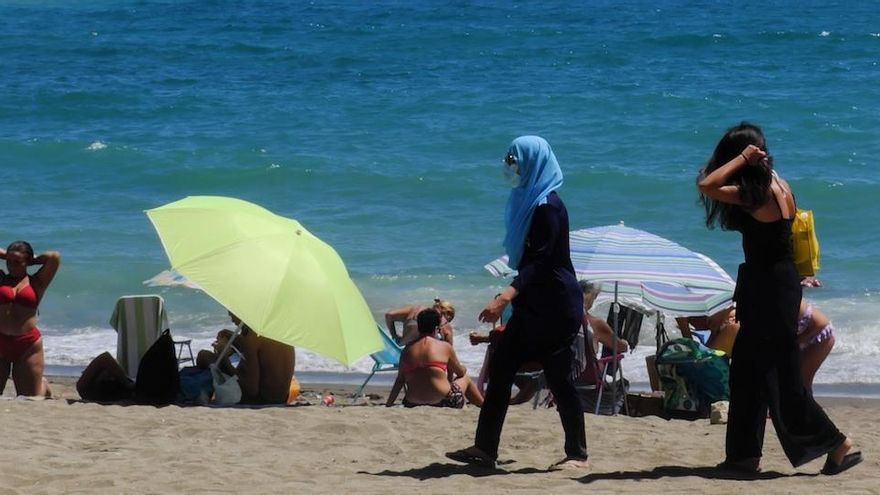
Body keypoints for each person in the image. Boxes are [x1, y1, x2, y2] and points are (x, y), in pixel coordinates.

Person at [697, 122, 860, 475]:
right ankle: (744, 456)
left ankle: (840, 445)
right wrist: (751, 159)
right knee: (749, 373)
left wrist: (740, 158)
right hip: (777, 283)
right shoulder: (778, 184)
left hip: (768, 287)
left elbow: (706, 185)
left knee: (779, 377)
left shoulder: (756, 194)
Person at [446, 136, 587, 471]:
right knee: (502, 366)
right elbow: (526, 264)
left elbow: (539, 262)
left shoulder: (548, 207)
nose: (512, 166)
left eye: (517, 159)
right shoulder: (527, 201)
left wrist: (504, 297)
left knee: (559, 378)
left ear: (534, 162)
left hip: (556, 304)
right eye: (511, 159)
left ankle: (577, 454)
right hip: (532, 303)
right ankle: (485, 449)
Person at [386, 308, 483, 408]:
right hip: (444, 401)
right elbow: (460, 373)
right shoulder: (444, 347)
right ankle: (483, 406)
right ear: (437, 328)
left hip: (412, 402)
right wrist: (463, 368)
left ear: (419, 327)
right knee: (465, 378)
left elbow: (400, 381)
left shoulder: (407, 350)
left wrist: (389, 404)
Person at [0, 241, 60, 397]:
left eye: (17, 262)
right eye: (8, 262)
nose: (11, 266)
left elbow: (54, 257)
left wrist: (32, 260)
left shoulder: (37, 282)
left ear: (27, 262)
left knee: (29, 397)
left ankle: (43, 385)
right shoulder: (1, 278)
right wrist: (8, 254)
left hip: (27, 344)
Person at [196, 312, 295, 404]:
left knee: (204, 356)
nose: (231, 319)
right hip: (282, 397)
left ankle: (203, 394)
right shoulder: (277, 331)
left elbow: (251, 389)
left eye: (232, 314)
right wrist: (234, 338)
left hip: (262, 399)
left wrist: (224, 357)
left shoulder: (251, 337)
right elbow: (263, 349)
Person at [385, 298, 455, 345]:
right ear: (446, 314)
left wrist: (394, 335)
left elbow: (389, 315)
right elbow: (449, 349)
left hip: (403, 351)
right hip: (425, 357)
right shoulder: (443, 321)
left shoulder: (415, 309)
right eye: (449, 320)